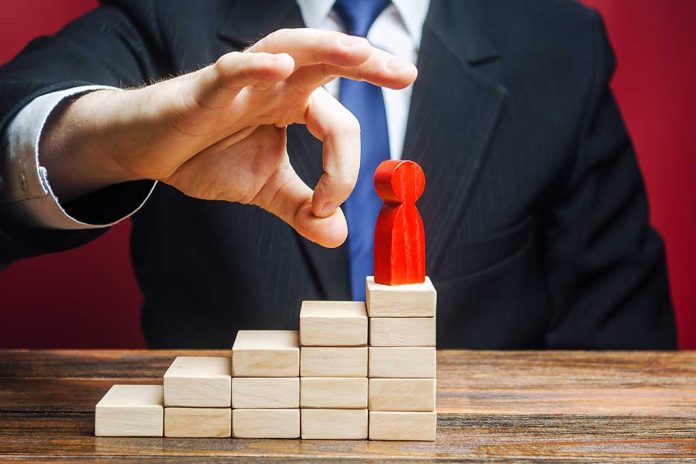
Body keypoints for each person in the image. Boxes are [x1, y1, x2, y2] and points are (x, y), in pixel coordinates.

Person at [0, 0, 675, 349]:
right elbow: (17, 114)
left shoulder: (558, 44)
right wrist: (116, 143)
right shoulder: (168, 14)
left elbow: (623, 343)